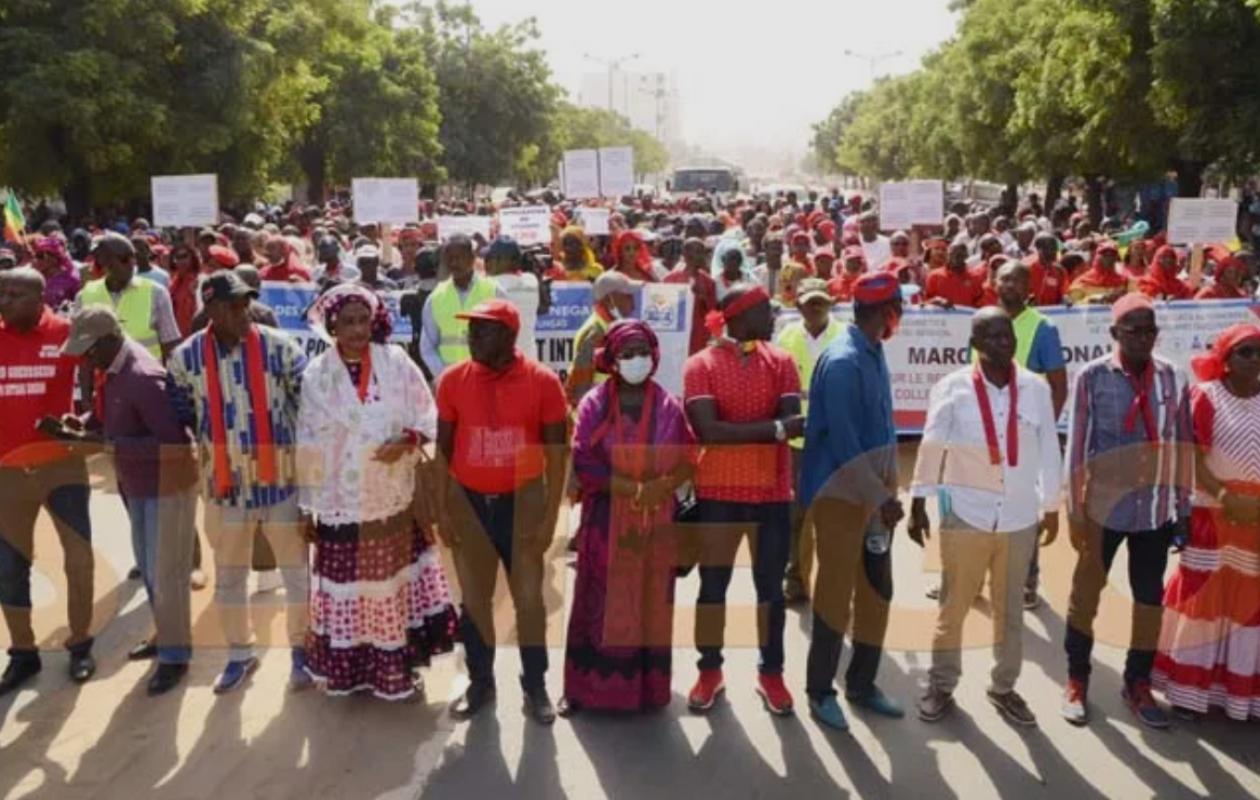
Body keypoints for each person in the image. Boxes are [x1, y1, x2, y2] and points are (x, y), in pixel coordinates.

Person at [297, 285, 457, 701]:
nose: (356, 330)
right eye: (347, 322)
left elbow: (427, 412)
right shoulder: (317, 375)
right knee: (350, 591)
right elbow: (308, 441)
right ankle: (352, 674)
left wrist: (408, 439)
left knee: (391, 586)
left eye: (362, 320)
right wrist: (306, 507)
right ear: (332, 325)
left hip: (392, 497)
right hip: (341, 502)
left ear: (374, 322)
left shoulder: (395, 361)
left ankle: (396, 671)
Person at [910, 308, 1062, 727]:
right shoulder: (952, 387)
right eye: (993, 337)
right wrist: (919, 501)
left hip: (1019, 518)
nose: (1004, 343)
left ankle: (1004, 687)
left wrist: (1052, 507)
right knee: (953, 607)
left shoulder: (1035, 388)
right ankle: (941, 684)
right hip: (967, 515)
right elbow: (932, 444)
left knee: (1010, 611)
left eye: (1008, 334)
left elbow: (1050, 448)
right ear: (975, 344)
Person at [167, 270, 312, 694]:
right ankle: (239, 654)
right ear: (211, 309)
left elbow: (308, 409)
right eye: (233, 305)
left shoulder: (281, 348)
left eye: (246, 302)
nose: (243, 311)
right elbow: (183, 415)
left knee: (297, 574)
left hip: (281, 484)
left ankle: (301, 652)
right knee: (230, 577)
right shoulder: (185, 359)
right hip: (224, 488)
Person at [51, 307, 198, 695]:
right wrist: (85, 425)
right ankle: (165, 636)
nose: (85, 361)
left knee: (164, 575)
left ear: (110, 340)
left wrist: (108, 444)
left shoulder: (143, 377)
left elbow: (176, 444)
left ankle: (175, 656)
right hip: (138, 485)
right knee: (150, 570)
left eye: (88, 351)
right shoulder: (112, 368)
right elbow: (111, 418)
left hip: (166, 487)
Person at [1062, 293, 1192, 729]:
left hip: (1155, 511)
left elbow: (1183, 445)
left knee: (1149, 599)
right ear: (1114, 332)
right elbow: (1077, 448)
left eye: (1150, 330)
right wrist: (1074, 510)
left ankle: (1137, 682)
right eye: (1133, 330)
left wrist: (1183, 507)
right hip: (1103, 510)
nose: (1142, 337)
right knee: (1086, 595)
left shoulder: (1172, 376)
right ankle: (1077, 677)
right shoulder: (1092, 377)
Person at [435, 299, 567, 725]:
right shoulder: (452, 380)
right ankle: (481, 682)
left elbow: (558, 455)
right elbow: (443, 450)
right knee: (475, 602)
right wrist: (442, 510)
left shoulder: (543, 382)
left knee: (528, 601)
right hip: (469, 503)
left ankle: (535, 685)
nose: (472, 337)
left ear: (509, 336)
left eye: (483, 330)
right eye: (471, 329)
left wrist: (550, 517)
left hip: (523, 504)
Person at [560, 320, 696, 715]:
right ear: (612, 360)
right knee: (598, 602)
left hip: (656, 519)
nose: (637, 360)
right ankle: (583, 690)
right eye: (627, 353)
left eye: (642, 352)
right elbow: (585, 462)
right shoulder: (594, 404)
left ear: (654, 356)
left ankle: (646, 691)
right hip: (606, 519)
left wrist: (662, 485)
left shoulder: (669, 405)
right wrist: (635, 489)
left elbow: (689, 457)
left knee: (650, 602)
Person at [683, 284, 803, 716]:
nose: (772, 317)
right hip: (717, 492)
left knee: (770, 590)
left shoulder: (782, 361)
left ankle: (771, 673)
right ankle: (709, 671)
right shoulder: (700, 365)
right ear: (738, 316)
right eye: (765, 310)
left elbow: (794, 421)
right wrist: (773, 430)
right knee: (712, 587)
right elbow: (709, 430)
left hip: (771, 492)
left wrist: (767, 429)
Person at [799, 272, 906, 731]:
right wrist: (881, 496)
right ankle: (820, 690)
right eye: (898, 308)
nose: (900, 316)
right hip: (842, 500)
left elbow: (882, 429)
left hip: (876, 500)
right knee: (835, 596)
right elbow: (844, 445)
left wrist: (890, 489)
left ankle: (862, 683)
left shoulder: (873, 350)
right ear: (885, 312)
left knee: (877, 591)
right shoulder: (844, 361)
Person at [1153, 323, 1260, 720]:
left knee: (1250, 605)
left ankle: (1241, 695)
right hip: (1213, 515)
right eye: (1245, 352)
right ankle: (1189, 692)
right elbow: (1191, 456)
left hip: (1255, 520)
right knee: (1205, 602)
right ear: (1225, 360)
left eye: (1259, 353)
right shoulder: (1206, 396)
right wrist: (1226, 497)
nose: (1255, 360)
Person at [0, 268, 96, 695]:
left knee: (78, 560)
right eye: (1, 294)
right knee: (9, 567)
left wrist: (89, 415)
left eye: (14, 294)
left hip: (62, 469)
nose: (4, 301)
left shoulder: (67, 333)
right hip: (7, 473)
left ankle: (80, 643)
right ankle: (23, 653)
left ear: (40, 298)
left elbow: (103, 370)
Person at [775, 279, 843, 603]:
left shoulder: (845, 335)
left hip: (834, 439)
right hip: (797, 442)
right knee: (797, 514)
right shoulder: (786, 336)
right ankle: (797, 578)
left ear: (830, 304)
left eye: (820, 302)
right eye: (809, 303)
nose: (814, 308)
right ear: (798, 304)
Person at [76, 233, 181, 361]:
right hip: (102, 373)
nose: (131, 264)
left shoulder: (156, 293)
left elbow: (170, 343)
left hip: (146, 372)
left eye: (132, 258)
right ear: (104, 262)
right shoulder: (85, 296)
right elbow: (79, 347)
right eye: (123, 259)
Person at [419, 234, 505, 379]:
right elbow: (427, 347)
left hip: (487, 380)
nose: (454, 263)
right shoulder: (436, 297)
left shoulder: (494, 292)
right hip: (451, 381)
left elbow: (505, 340)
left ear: (472, 258)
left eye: (459, 257)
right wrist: (445, 376)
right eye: (450, 258)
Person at [566, 271, 638, 407]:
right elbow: (580, 388)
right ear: (609, 300)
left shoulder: (609, 327)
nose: (633, 304)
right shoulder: (595, 333)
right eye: (627, 297)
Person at [485, 237, 540, 359]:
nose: (487, 263)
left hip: (502, 361)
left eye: (490, 259)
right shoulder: (532, 281)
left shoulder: (490, 285)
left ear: (499, 260)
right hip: (529, 359)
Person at [664, 237, 718, 356]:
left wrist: (703, 297)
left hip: (699, 335)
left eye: (700, 252)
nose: (697, 256)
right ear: (684, 254)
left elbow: (713, 312)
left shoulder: (709, 282)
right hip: (676, 334)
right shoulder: (671, 279)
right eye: (693, 251)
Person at [924, 242, 985, 309]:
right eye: (952, 254)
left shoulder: (976, 276)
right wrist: (935, 301)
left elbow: (981, 304)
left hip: (966, 315)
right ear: (947, 254)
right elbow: (924, 303)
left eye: (959, 255)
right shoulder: (934, 276)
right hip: (941, 315)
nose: (955, 257)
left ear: (966, 256)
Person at [31, 236, 82, 313]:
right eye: (35, 255)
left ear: (54, 258)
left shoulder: (70, 278)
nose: (36, 260)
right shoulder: (36, 277)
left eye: (40, 256)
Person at [1024, 233, 1068, 307]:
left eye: (1055, 248)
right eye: (1050, 248)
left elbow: (1063, 292)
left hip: (1052, 311)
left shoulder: (1060, 271)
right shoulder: (1027, 268)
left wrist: (1066, 298)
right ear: (1039, 249)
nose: (1055, 251)